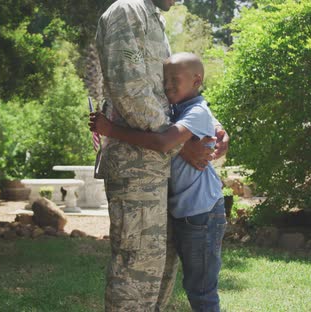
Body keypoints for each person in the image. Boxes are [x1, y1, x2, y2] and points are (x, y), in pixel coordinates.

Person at [95, 0, 228, 311]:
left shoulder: (153, 19)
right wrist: (183, 145)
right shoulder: (126, 12)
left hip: (162, 170)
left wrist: (215, 129)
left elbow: (171, 98)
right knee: (136, 270)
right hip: (136, 170)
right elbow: (131, 92)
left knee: (161, 270)